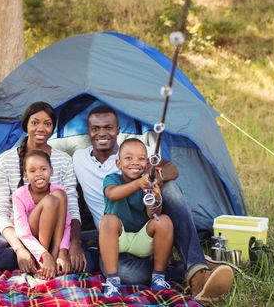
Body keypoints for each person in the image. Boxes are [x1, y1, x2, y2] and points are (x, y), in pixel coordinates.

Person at [72, 105, 234, 301]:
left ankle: (196, 268)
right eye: (95, 128)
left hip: (144, 232)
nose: (102, 133)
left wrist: (157, 181)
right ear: (88, 131)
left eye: (108, 127)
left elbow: (172, 169)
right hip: (114, 237)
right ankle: (188, 270)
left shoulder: (137, 151)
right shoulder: (79, 158)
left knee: (169, 188)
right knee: (129, 275)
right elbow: (76, 196)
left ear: (118, 129)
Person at [0, 101, 88, 274]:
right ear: (25, 125)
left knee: (87, 259)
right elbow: (2, 210)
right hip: (20, 234)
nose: (41, 128)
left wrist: (72, 245)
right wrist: (20, 250)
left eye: (47, 123)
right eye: (35, 122)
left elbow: (72, 207)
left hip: (57, 236)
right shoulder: (6, 160)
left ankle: (51, 260)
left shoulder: (63, 160)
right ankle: (38, 260)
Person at [100, 138, 174, 297]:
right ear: (118, 164)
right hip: (118, 240)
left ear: (147, 163)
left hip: (142, 238)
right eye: (128, 158)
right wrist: (138, 183)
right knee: (108, 220)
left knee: (164, 221)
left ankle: (158, 277)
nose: (135, 162)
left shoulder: (149, 182)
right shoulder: (112, 179)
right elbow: (112, 194)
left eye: (141, 159)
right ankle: (112, 281)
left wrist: (155, 199)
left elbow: (152, 214)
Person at [12, 150, 71, 279]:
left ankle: (54, 254)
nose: (38, 174)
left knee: (59, 195)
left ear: (51, 171)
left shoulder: (59, 190)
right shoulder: (19, 195)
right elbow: (23, 233)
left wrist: (63, 251)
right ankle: (42, 263)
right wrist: (44, 254)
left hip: (54, 240)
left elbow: (66, 225)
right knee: (50, 201)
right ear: (25, 175)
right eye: (32, 171)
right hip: (30, 241)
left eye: (43, 169)